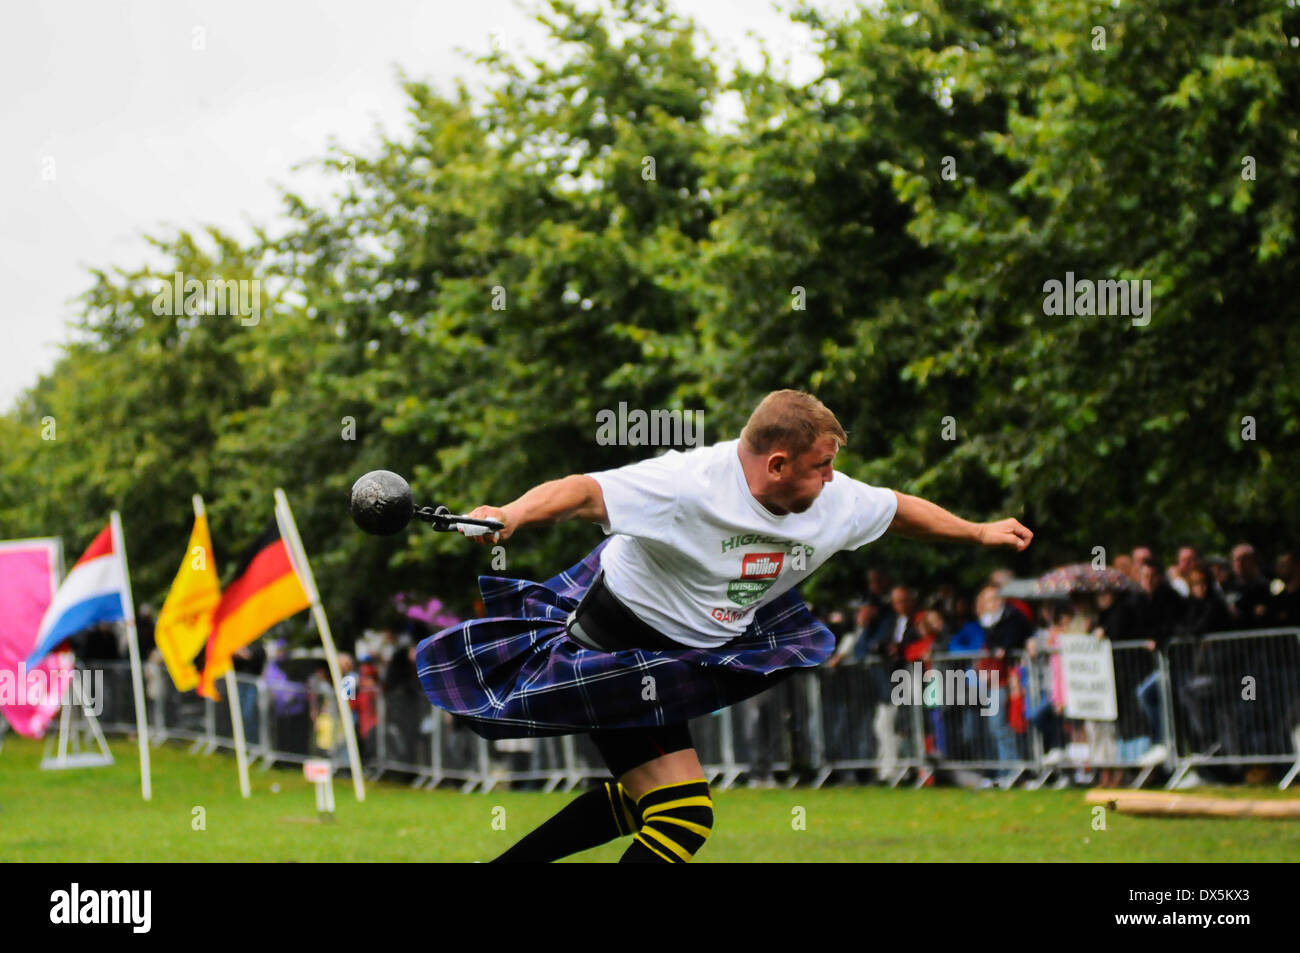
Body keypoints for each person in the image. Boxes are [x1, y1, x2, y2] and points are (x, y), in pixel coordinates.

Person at [416, 389, 1033, 862]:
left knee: (642, 801)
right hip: (615, 646)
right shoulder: (686, 484)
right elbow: (582, 492)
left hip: (682, 654)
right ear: (778, 462)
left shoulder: (833, 497)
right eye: (820, 466)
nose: (831, 478)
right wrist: (512, 514)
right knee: (683, 816)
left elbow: (899, 508)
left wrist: (977, 530)